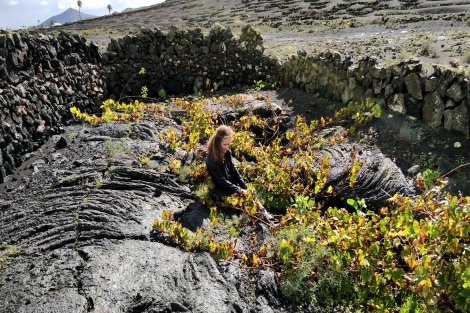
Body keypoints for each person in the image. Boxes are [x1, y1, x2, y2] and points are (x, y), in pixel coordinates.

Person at [205, 125, 276, 224]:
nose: (226, 147)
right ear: (217, 142)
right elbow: (220, 182)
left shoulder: (227, 152)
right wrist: (239, 190)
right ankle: (262, 215)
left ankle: (264, 213)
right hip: (219, 190)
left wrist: (244, 186)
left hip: (228, 184)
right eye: (224, 144)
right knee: (242, 197)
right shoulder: (212, 159)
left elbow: (234, 170)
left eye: (228, 144)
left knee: (248, 192)